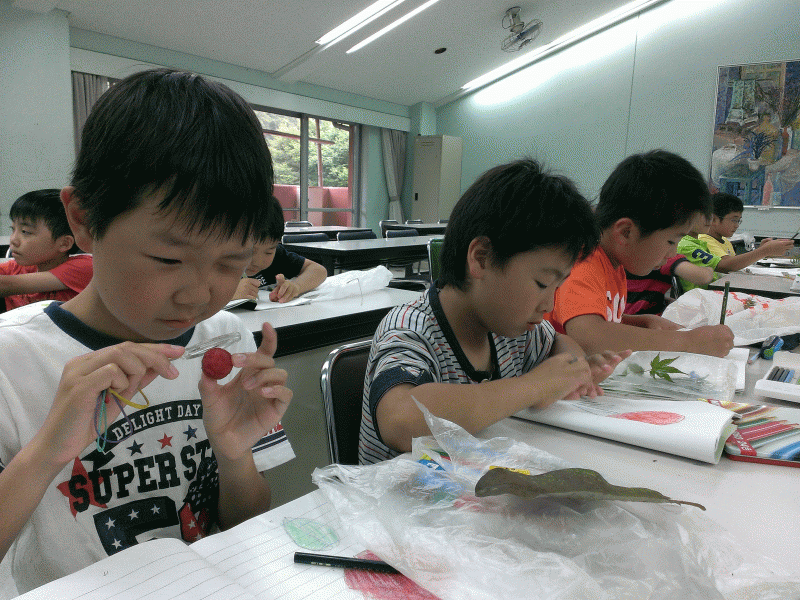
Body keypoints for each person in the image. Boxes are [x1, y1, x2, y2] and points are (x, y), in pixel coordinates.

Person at [0, 69, 295, 594]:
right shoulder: (12, 358)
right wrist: (45, 454)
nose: (198, 295)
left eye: (232, 262)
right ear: (84, 220)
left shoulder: (225, 337)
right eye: (168, 258)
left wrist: (233, 454)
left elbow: (246, 522)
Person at [358, 158, 630, 465]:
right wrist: (536, 385)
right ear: (482, 258)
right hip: (402, 493)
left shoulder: (512, 328)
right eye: (542, 283)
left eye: (558, 287)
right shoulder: (409, 328)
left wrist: (574, 369)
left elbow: (560, 342)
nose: (549, 305)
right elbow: (401, 420)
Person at [545, 149, 734, 357]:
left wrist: (640, 322)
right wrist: (687, 342)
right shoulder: (584, 262)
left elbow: (599, 316)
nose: (672, 253)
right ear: (626, 232)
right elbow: (588, 335)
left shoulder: (613, 262)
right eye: (671, 241)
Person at [0, 189, 93, 312]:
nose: (13, 240)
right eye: (13, 230)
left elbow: (6, 285)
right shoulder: (16, 268)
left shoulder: (85, 267)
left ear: (64, 243)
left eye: (25, 232)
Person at [231, 211, 327, 303]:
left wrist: (296, 286)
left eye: (268, 252)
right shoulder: (224, 262)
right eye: (250, 251)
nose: (258, 261)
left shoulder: (277, 255)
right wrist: (229, 294)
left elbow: (319, 270)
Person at [697, 191, 794, 267]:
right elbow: (727, 265)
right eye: (734, 220)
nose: (737, 225)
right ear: (714, 219)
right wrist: (764, 251)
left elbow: (737, 264)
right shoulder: (704, 240)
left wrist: (761, 251)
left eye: (739, 221)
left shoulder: (725, 241)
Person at [624, 255, 714, 316]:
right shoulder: (663, 258)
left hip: (624, 322)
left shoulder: (623, 256)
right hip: (648, 326)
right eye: (670, 242)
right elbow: (703, 277)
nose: (673, 251)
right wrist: (710, 269)